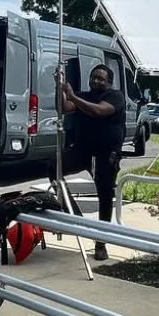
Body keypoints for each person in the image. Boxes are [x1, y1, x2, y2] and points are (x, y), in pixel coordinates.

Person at [60, 64, 125, 260]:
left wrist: (73, 97)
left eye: (100, 78)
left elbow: (99, 111)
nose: (96, 81)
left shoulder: (116, 96)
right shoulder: (84, 96)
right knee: (53, 166)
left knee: (104, 196)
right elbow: (64, 108)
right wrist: (60, 88)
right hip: (83, 150)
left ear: (108, 82)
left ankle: (101, 243)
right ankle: (72, 214)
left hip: (106, 154)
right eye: (93, 77)